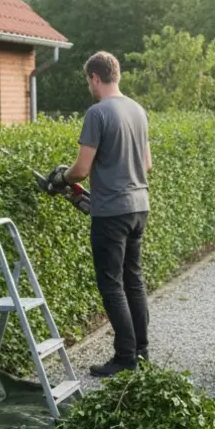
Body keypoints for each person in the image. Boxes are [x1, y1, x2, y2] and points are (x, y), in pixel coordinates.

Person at [50, 51, 151, 377]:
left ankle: (125, 357)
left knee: (111, 285)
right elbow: (146, 164)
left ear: (95, 77)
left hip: (112, 213)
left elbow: (80, 170)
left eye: (88, 80)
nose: (89, 86)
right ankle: (142, 350)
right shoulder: (137, 110)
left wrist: (60, 179)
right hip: (139, 207)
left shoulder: (97, 113)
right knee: (133, 281)